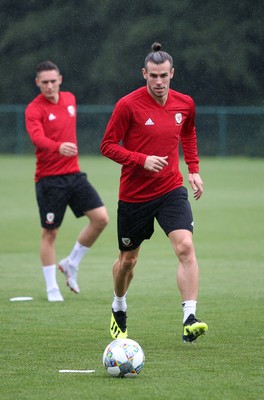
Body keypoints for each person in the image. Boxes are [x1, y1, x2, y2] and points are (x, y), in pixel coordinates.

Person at [101, 43, 208, 342]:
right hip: (134, 195)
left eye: (164, 76)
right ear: (144, 74)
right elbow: (107, 145)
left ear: (172, 73)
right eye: (153, 76)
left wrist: (194, 168)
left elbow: (187, 131)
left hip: (171, 188)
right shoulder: (128, 105)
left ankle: (189, 317)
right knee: (128, 261)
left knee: (185, 246)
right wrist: (141, 159)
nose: (159, 82)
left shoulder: (185, 103)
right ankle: (119, 305)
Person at [25, 61, 109, 302]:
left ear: (60, 79)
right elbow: (37, 138)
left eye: (53, 81)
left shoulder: (70, 99)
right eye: (45, 82)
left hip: (74, 174)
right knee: (50, 233)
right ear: (37, 83)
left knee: (101, 218)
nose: (50, 86)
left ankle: (71, 263)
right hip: (49, 179)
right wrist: (58, 147)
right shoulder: (34, 109)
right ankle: (52, 288)